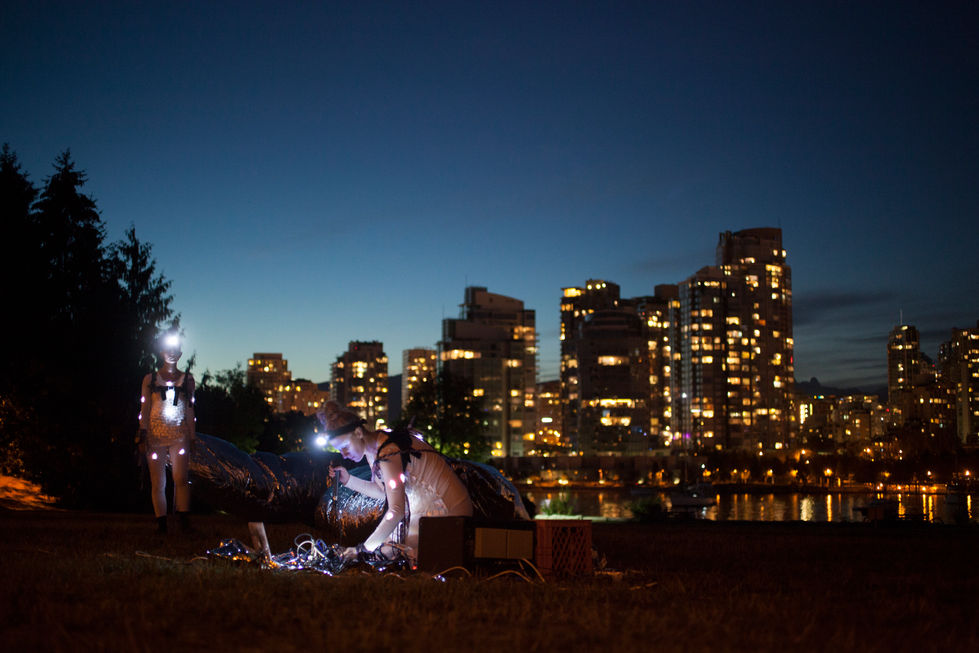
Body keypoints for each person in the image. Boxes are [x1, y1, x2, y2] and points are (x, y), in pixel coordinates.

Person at [319, 401, 473, 560]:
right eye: (338, 450)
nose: (343, 454)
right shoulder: (377, 447)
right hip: (426, 514)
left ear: (358, 433)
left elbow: (396, 511)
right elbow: (382, 492)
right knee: (386, 550)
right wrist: (349, 480)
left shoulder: (388, 450)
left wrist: (361, 550)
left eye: (345, 446)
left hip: (449, 514)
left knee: (389, 551)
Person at [137, 332, 196, 533]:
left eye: (176, 350)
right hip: (155, 437)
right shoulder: (150, 379)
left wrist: (193, 436)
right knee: (158, 481)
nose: (172, 353)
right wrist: (142, 433)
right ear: (161, 352)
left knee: (181, 478)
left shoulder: (187, 379)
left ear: (180, 353)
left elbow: (189, 409)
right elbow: (144, 408)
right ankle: (161, 523)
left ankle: (183, 520)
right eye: (168, 349)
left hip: (179, 436)